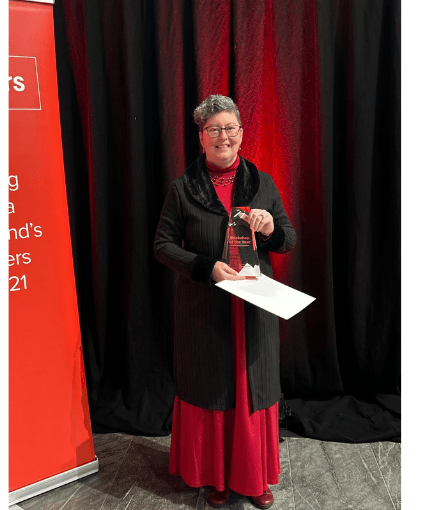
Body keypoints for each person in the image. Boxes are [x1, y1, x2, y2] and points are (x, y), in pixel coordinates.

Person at [154, 95, 296, 509]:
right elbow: (162, 246)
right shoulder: (183, 189)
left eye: (230, 128)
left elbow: (287, 239)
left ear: (241, 132)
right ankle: (215, 476)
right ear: (201, 137)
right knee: (214, 388)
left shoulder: (263, 183)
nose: (223, 136)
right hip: (206, 311)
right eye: (214, 129)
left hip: (253, 309)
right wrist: (207, 267)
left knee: (252, 388)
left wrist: (270, 228)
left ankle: (254, 477)